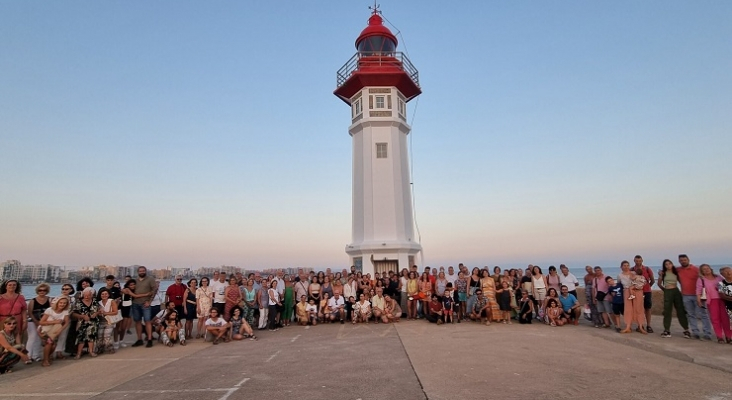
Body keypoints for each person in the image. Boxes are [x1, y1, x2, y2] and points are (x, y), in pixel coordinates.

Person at [677, 254, 712, 340]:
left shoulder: (696, 269)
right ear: (679, 261)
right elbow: (669, 271)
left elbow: (705, 279)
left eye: (684, 260)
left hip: (698, 295)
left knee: (703, 314)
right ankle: (695, 332)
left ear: (688, 260)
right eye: (681, 260)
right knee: (690, 314)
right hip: (686, 295)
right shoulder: (678, 270)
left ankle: (707, 333)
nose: (683, 261)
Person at [697, 264, 730, 344]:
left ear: (710, 269)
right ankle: (719, 337)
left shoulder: (718, 277)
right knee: (715, 319)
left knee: (725, 319)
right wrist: (699, 301)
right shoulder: (701, 279)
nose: (706, 270)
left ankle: (729, 336)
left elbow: (726, 284)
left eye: (707, 268)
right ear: (702, 271)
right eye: (704, 269)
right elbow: (698, 291)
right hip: (711, 300)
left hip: (723, 299)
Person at [658, 259, 690, 338]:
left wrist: (683, 291)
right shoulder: (663, 273)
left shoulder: (676, 272)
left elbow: (681, 282)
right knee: (667, 311)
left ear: (672, 264)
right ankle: (667, 330)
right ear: (664, 266)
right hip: (667, 291)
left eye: (669, 264)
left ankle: (686, 330)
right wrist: (665, 290)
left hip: (676, 291)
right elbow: (659, 283)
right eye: (666, 264)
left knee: (681, 310)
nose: (668, 265)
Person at [37, 296, 71, 367]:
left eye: (64, 303)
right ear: (57, 303)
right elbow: (41, 322)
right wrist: (55, 321)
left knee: (53, 345)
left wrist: (60, 330)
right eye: (61, 303)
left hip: (55, 330)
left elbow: (67, 322)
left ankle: (47, 357)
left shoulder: (65, 312)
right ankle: (45, 360)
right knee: (49, 343)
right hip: (44, 329)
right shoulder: (49, 310)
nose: (62, 304)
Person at [72, 287, 102, 359]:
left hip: (93, 322)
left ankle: (91, 351)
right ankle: (79, 353)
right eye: (85, 295)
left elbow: (100, 310)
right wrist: (82, 316)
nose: (87, 297)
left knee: (91, 336)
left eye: (88, 295)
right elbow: (73, 313)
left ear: (91, 295)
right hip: (82, 322)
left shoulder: (95, 301)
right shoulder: (78, 302)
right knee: (81, 338)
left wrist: (96, 313)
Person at [618, 261, 647, 334]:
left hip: (637, 291)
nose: (626, 267)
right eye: (624, 265)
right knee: (628, 309)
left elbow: (642, 280)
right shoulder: (620, 275)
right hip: (627, 291)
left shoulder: (634, 273)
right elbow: (619, 284)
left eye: (627, 265)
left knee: (639, 308)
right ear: (621, 267)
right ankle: (628, 327)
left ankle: (640, 326)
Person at [131, 266, 156, 348]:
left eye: (143, 271)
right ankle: (139, 339)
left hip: (145, 304)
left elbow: (154, 290)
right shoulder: (134, 280)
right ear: (138, 272)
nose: (142, 272)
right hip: (135, 304)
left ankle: (149, 339)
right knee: (137, 321)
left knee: (147, 321)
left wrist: (150, 301)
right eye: (140, 271)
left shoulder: (150, 279)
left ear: (145, 271)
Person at [27, 283, 52, 363]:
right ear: (37, 291)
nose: (42, 292)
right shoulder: (32, 301)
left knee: (39, 338)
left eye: (44, 290)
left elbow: (51, 311)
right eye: (40, 290)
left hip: (45, 322)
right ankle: (28, 356)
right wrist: (36, 322)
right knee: (33, 337)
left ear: (47, 291)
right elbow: (30, 312)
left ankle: (36, 355)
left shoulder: (50, 300)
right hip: (33, 321)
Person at [632, 255, 655, 333]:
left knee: (647, 308)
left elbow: (652, 280)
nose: (638, 262)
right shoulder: (632, 270)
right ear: (634, 261)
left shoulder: (647, 269)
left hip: (646, 291)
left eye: (639, 261)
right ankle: (640, 325)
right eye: (636, 261)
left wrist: (647, 287)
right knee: (638, 309)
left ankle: (648, 325)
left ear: (642, 261)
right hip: (637, 292)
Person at [96, 288, 119, 354]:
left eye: (106, 294)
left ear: (108, 294)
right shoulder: (99, 302)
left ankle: (110, 348)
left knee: (107, 335)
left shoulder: (111, 301)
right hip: (101, 321)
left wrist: (105, 313)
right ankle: (100, 348)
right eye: (102, 294)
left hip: (109, 321)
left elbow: (115, 312)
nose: (104, 295)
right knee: (100, 335)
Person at [117, 280, 135, 347]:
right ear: (128, 285)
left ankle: (121, 341)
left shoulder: (133, 290)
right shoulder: (126, 290)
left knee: (123, 327)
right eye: (131, 285)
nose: (132, 286)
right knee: (118, 327)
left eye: (133, 284)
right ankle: (116, 341)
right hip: (121, 309)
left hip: (127, 310)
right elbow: (135, 296)